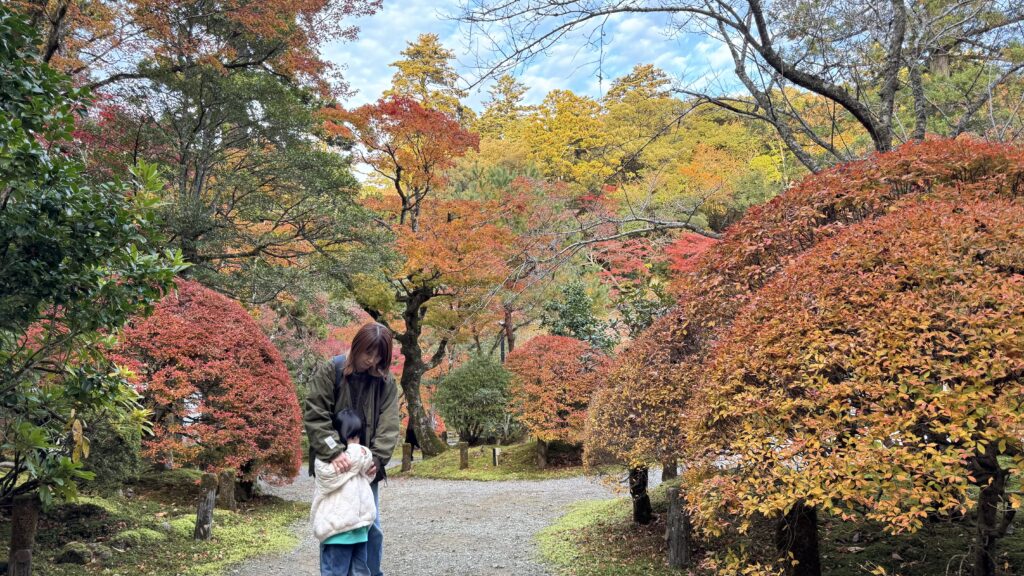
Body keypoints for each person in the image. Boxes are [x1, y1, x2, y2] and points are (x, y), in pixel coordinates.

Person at [304, 322, 401, 576]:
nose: (372, 361)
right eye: (368, 353)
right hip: (334, 464)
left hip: (366, 466)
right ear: (357, 347)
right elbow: (316, 414)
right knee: (335, 525)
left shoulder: (385, 381)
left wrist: (377, 460)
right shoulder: (331, 370)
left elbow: (389, 424)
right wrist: (333, 452)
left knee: (371, 525)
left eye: (379, 356)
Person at [311, 409, 377, 576]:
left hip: (359, 529)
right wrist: (358, 452)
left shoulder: (358, 461)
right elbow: (328, 476)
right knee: (336, 572)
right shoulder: (325, 460)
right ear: (338, 437)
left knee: (360, 572)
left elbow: (367, 476)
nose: (356, 443)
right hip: (337, 532)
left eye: (358, 437)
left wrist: (366, 458)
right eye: (351, 437)